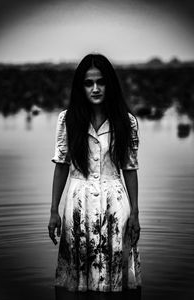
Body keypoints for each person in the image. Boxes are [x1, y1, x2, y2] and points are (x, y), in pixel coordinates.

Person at [48, 53, 141, 298]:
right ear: (81, 87)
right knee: (76, 275)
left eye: (101, 82)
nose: (96, 88)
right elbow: (61, 165)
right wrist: (53, 211)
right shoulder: (68, 120)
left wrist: (135, 214)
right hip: (78, 203)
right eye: (89, 83)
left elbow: (130, 168)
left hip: (116, 205)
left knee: (115, 274)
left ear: (110, 84)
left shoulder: (127, 122)